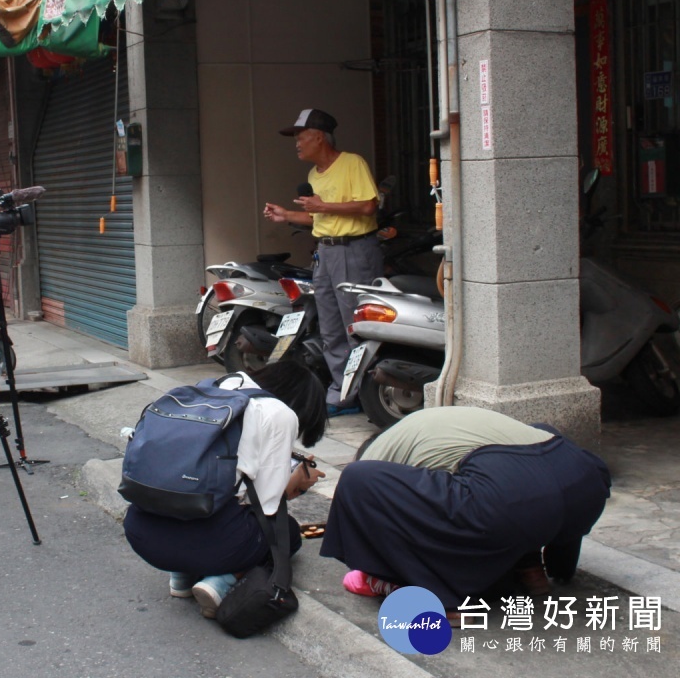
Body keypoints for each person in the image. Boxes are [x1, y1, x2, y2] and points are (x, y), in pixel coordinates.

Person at [320, 406, 612, 609]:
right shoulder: (438, 425)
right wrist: (563, 565)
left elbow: (378, 524)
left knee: (355, 480)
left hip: (511, 500)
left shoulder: (376, 456)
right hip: (586, 487)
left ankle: (441, 600)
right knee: (537, 441)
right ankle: (531, 566)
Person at [122, 362, 328, 620]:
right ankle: (220, 581)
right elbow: (267, 506)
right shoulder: (280, 413)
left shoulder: (209, 389)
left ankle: (181, 576)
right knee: (286, 531)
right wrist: (297, 479)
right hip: (215, 546)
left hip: (142, 534)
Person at [263, 109, 383, 416]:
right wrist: (286, 215)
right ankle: (341, 390)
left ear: (318, 136)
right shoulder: (314, 175)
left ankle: (361, 391)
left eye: (300, 137)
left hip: (353, 250)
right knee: (330, 327)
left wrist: (323, 205)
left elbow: (369, 206)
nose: (297, 144)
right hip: (326, 252)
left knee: (354, 325)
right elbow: (319, 216)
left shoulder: (352, 163)